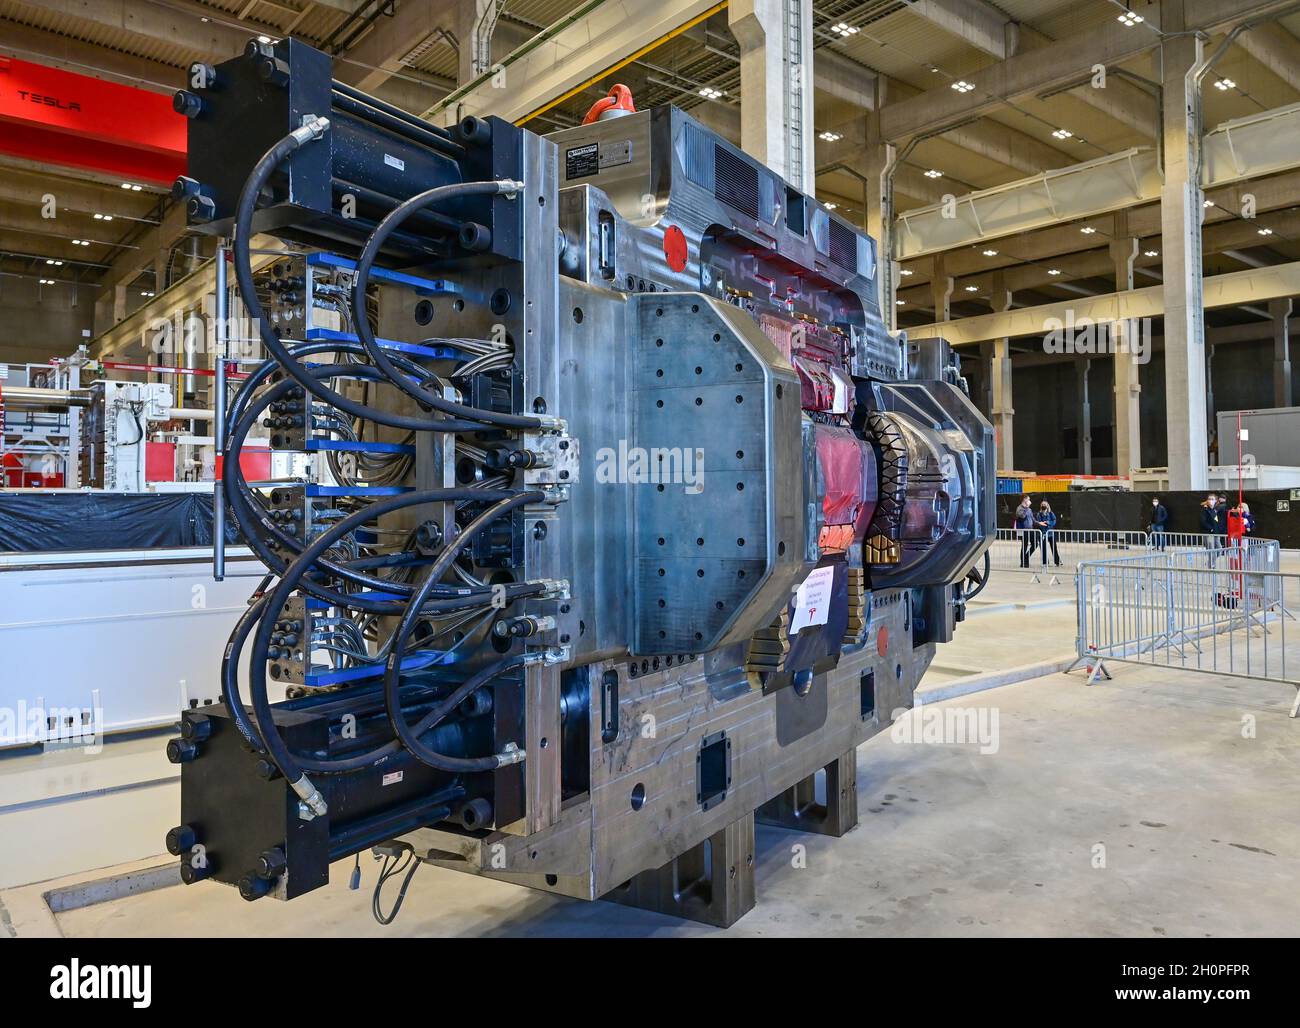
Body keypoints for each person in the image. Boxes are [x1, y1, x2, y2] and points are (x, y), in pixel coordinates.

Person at [1035, 500, 1061, 566]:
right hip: (1043, 533)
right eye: (1042, 504)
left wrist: (1049, 523)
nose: (1044, 505)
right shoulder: (1039, 514)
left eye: (1045, 504)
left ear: (1047, 505)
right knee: (1043, 548)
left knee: (1054, 548)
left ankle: (1057, 561)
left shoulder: (1051, 513)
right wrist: (1043, 524)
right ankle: (1045, 562)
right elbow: (1039, 523)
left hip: (1050, 533)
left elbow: (1054, 521)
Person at [1015, 495, 1037, 567]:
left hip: (1030, 529)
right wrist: (1026, 507)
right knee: (1024, 545)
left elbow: (1032, 519)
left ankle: (1026, 557)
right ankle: (1023, 562)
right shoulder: (1019, 508)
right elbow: (1022, 516)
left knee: (1035, 544)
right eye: (1028, 499)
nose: (1029, 501)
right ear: (1024, 500)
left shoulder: (1029, 510)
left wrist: (1039, 523)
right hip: (1023, 530)